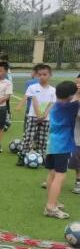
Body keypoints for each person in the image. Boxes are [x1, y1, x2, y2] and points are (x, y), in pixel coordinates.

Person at [43, 81, 80, 219]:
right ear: (70, 95)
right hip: (62, 145)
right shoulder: (70, 106)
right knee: (60, 176)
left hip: (52, 143)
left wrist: (75, 92)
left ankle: (52, 201)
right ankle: (51, 207)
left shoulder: (56, 105)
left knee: (52, 173)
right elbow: (77, 100)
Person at [18, 65, 55, 166]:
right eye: (40, 75)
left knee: (42, 139)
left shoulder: (53, 90)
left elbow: (51, 104)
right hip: (33, 116)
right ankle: (22, 156)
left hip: (46, 118)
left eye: (44, 74)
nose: (42, 77)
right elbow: (34, 102)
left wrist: (44, 115)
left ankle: (41, 156)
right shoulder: (32, 87)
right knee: (28, 137)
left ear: (50, 75)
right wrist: (38, 115)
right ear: (37, 75)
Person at [69, 74, 80, 194]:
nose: (78, 85)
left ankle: (78, 182)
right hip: (71, 135)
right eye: (76, 83)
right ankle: (53, 177)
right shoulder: (71, 97)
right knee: (75, 159)